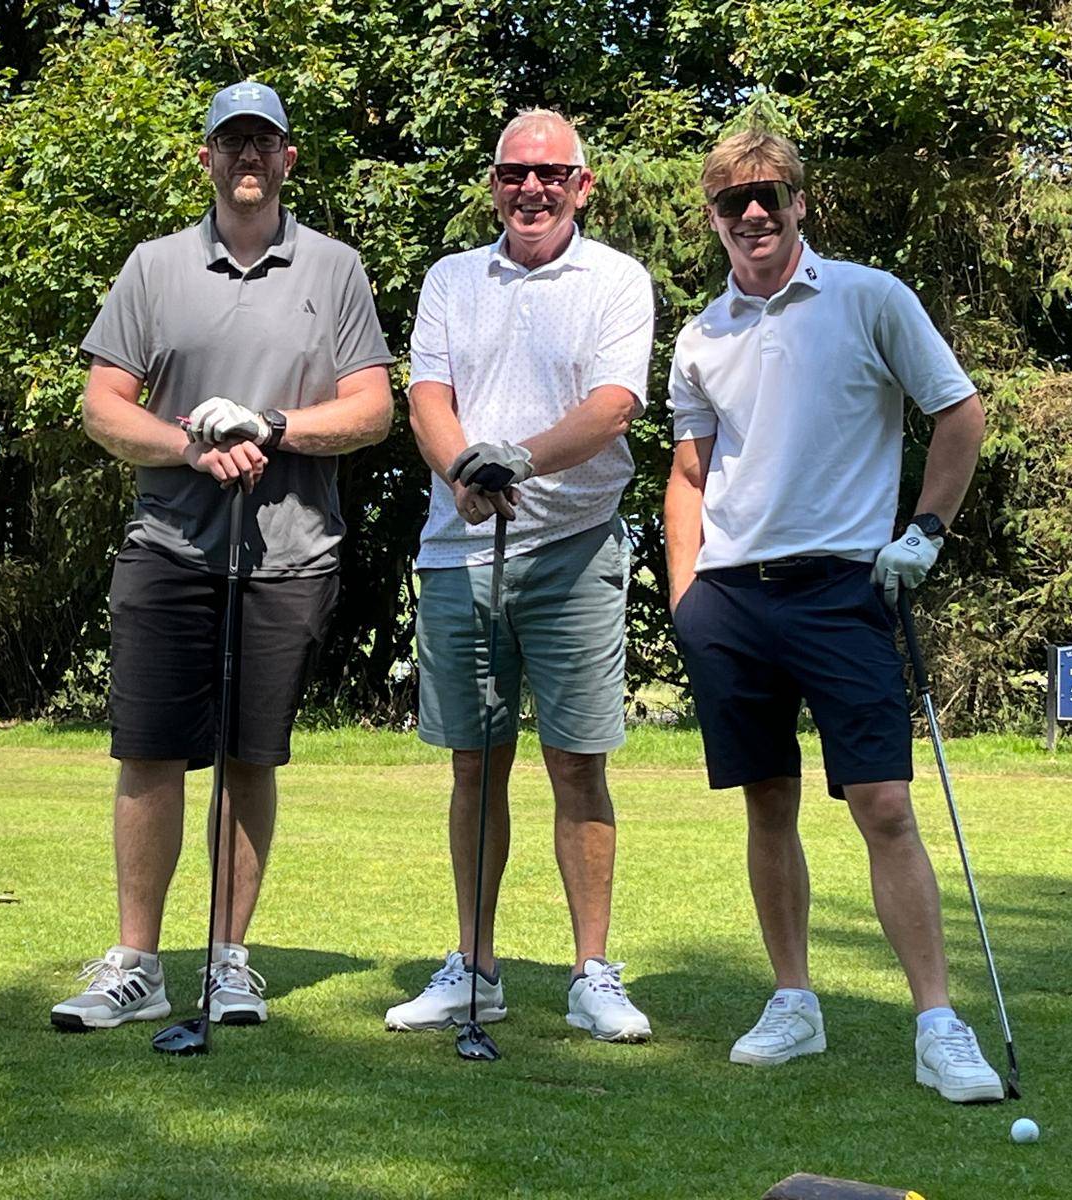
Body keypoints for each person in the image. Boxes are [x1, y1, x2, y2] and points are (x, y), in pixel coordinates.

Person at [664, 130, 1001, 1101]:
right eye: (733, 202)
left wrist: (925, 531)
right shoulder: (700, 337)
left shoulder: (869, 296)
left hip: (843, 588)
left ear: (799, 202)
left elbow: (959, 412)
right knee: (767, 800)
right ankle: (793, 1001)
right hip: (731, 598)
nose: (753, 214)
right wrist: (686, 597)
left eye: (769, 195)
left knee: (883, 804)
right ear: (713, 218)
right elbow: (688, 475)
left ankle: (937, 1024)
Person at [52, 82, 394, 1032]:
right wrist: (189, 445)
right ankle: (137, 964)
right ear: (205, 157)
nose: (249, 156)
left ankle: (227, 960)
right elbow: (102, 406)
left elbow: (373, 409)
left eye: (264, 142)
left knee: (249, 758)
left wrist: (272, 425)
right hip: (170, 545)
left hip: (289, 554)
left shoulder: (334, 268)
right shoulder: (154, 266)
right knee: (149, 753)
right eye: (232, 141)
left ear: (288, 158)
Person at [386, 109, 656, 1043]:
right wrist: (463, 473)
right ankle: (475, 968)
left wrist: (517, 462)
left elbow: (613, 407)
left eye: (550, 174)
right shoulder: (452, 278)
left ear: (583, 185)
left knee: (577, 763)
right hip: (459, 552)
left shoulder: (617, 279)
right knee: (476, 764)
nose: (531, 189)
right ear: (494, 183)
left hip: (574, 548)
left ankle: (592, 973)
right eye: (513, 173)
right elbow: (427, 397)